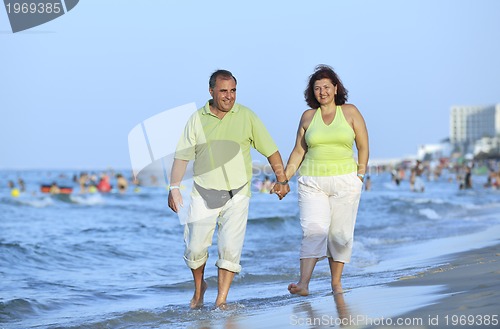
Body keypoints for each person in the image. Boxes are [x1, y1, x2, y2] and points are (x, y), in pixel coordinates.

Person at [167, 69, 289, 309]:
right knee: (195, 249)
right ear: (211, 91)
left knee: (230, 250)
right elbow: (182, 157)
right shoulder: (197, 118)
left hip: (238, 193)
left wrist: (282, 180)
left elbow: (271, 150)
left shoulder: (247, 116)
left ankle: (221, 300)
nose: (229, 96)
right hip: (203, 192)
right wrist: (174, 188)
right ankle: (199, 288)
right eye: (223, 91)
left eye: (233, 91)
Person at [276, 65, 369, 296]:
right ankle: (303, 284)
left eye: (326, 87)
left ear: (336, 88)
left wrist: (360, 176)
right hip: (312, 182)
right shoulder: (308, 117)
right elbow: (298, 151)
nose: (322, 92)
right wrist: (283, 178)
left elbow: (363, 146)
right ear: (312, 92)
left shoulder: (350, 112)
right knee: (313, 231)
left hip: (346, 181)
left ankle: (336, 282)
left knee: (340, 235)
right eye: (317, 88)